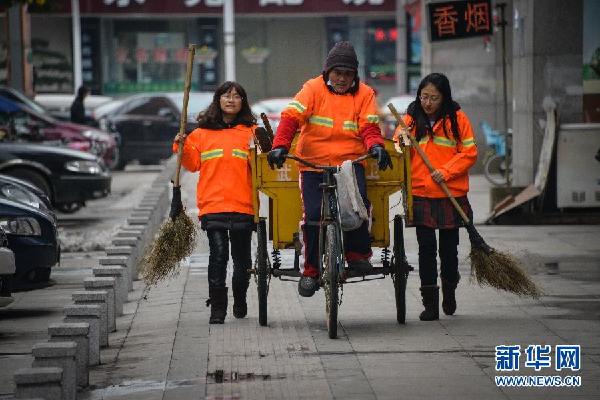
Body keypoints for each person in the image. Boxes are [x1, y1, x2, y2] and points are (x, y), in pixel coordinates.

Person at [267, 41, 392, 298]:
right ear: (327, 72)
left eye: (348, 74)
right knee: (313, 216)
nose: (342, 79)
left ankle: (357, 255)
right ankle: (311, 271)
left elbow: (369, 127)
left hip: (350, 162)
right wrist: (280, 145)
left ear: (355, 75)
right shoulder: (312, 88)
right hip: (313, 164)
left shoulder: (365, 93)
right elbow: (291, 117)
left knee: (359, 206)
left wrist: (376, 146)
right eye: (338, 73)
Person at [393, 72, 477, 321]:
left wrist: (446, 171)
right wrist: (402, 141)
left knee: (449, 251)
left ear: (444, 98)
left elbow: (470, 152)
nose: (427, 102)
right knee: (426, 249)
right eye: (424, 96)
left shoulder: (457, 119)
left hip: (449, 192)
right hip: (421, 192)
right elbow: (397, 145)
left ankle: (449, 291)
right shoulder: (410, 116)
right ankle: (430, 304)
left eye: (433, 98)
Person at [173, 81, 257, 324]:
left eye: (237, 96)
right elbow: (191, 164)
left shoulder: (251, 133)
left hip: (243, 205)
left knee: (242, 260)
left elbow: (263, 169)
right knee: (219, 256)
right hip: (213, 205)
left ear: (243, 102)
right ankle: (218, 309)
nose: (231, 100)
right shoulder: (200, 134)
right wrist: (181, 145)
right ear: (218, 100)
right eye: (226, 95)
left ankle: (240, 300)